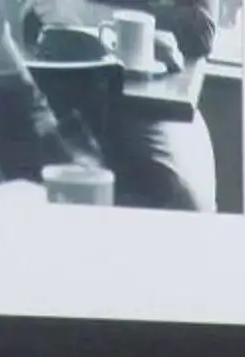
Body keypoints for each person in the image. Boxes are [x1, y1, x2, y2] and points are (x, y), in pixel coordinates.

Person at [19, 0, 221, 211]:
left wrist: (88, 14)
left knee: (181, 202)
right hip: (64, 95)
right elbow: (34, 20)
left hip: (149, 104)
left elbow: (200, 30)